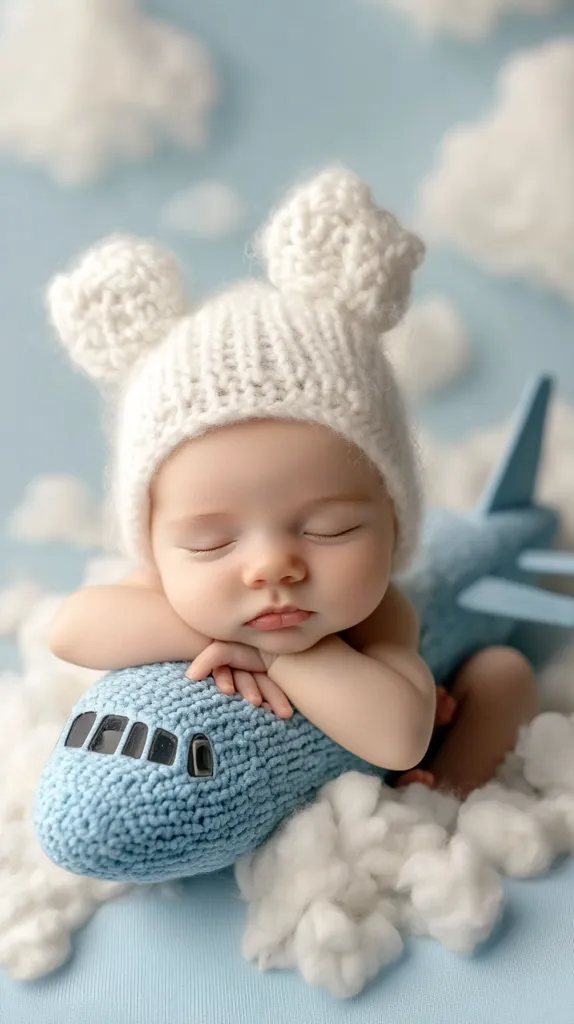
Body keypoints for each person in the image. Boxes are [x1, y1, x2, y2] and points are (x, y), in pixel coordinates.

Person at [45, 168, 538, 798]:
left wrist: (283, 655)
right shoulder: (173, 590)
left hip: (439, 713)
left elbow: (398, 734)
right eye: (210, 543)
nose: (272, 568)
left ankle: (454, 787)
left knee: (505, 674)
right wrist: (219, 631)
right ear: (154, 545)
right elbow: (71, 629)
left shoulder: (383, 613)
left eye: (328, 529)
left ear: (394, 523)